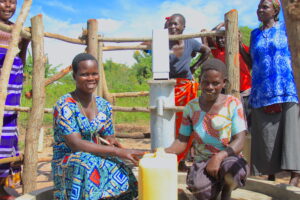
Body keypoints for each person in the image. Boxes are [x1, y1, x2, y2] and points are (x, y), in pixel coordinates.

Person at [52, 53, 145, 200]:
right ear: (74, 76)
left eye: (94, 74)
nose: (91, 78)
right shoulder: (65, 105)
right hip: (68, 159)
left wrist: (112, 141)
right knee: (87, 164)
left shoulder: (103, 105)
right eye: (84, 74)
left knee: (121, 166)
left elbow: (108, 135)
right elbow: (76, 144)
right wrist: (118, 152)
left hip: (94, 155)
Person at [165, 58, 249, 200]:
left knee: (233, 172)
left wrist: (219, 157)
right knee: (201, 190)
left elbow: (240, 140)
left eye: (215, 83)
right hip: (203, 160)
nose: (210, 87)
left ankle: (226, 190)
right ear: (200, 81)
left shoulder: (233, 104)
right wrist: (162, 152)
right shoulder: (191, 107)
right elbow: (181, 141)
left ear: (224, 83)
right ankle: (214, 186)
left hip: (228, 157)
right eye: (205, 82)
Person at [240, 0, 300, 186]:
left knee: (290, 132)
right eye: (258, 7)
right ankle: (270, 173)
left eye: (264, 7)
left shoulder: (286, 29)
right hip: (261, 91)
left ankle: (295, 174)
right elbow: (252, 63)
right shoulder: (255, 34)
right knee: (266, 135)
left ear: (276, 10)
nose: (260, 10)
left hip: (286, 88)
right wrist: (240, 47)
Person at [168, 13, 211, 162]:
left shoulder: (190, 42)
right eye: (171, 24)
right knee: (169, 123)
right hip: (167, 87)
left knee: (186, 123)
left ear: (183, 27)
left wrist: (195, 67)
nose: (173, 27)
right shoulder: (163, 41)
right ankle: (171, 157)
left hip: (185, 86)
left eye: (176, 24)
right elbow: (145, 47)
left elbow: (207, 51)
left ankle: (182, 159)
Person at [0, 0, 30, 199]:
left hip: (12, 85)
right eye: (3, 1)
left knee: (7, 129)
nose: (8, 6)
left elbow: (23, 55)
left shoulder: (21, 31)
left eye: (13, 2)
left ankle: (2, 185)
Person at [201, 22, 252, 129]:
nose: (220, 40)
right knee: (229, 123)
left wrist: (238, 42)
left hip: (245, 92)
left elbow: (250, 64)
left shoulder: (242, 48)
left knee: (246, 124)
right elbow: (210, 35)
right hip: (226, 92)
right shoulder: (218, 52)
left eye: (223, 37)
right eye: (218, 38)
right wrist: (222, 24)